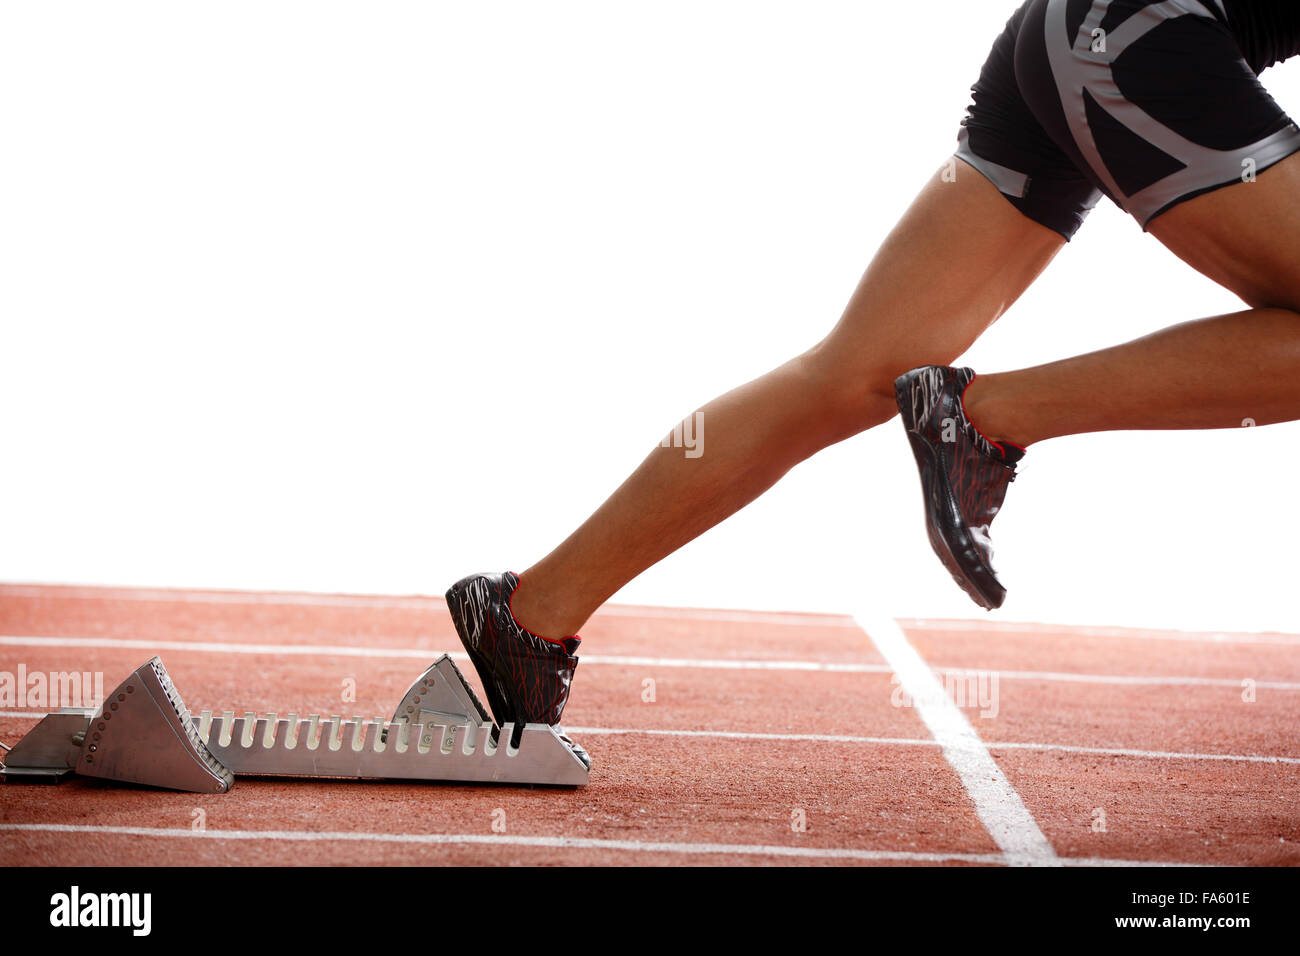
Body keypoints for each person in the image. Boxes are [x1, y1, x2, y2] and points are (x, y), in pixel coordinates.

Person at [444, 0, 1300, 734]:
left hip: (1075, 32)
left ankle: (527, 617)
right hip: (1140, 39)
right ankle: (991, 418)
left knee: (849, 375)